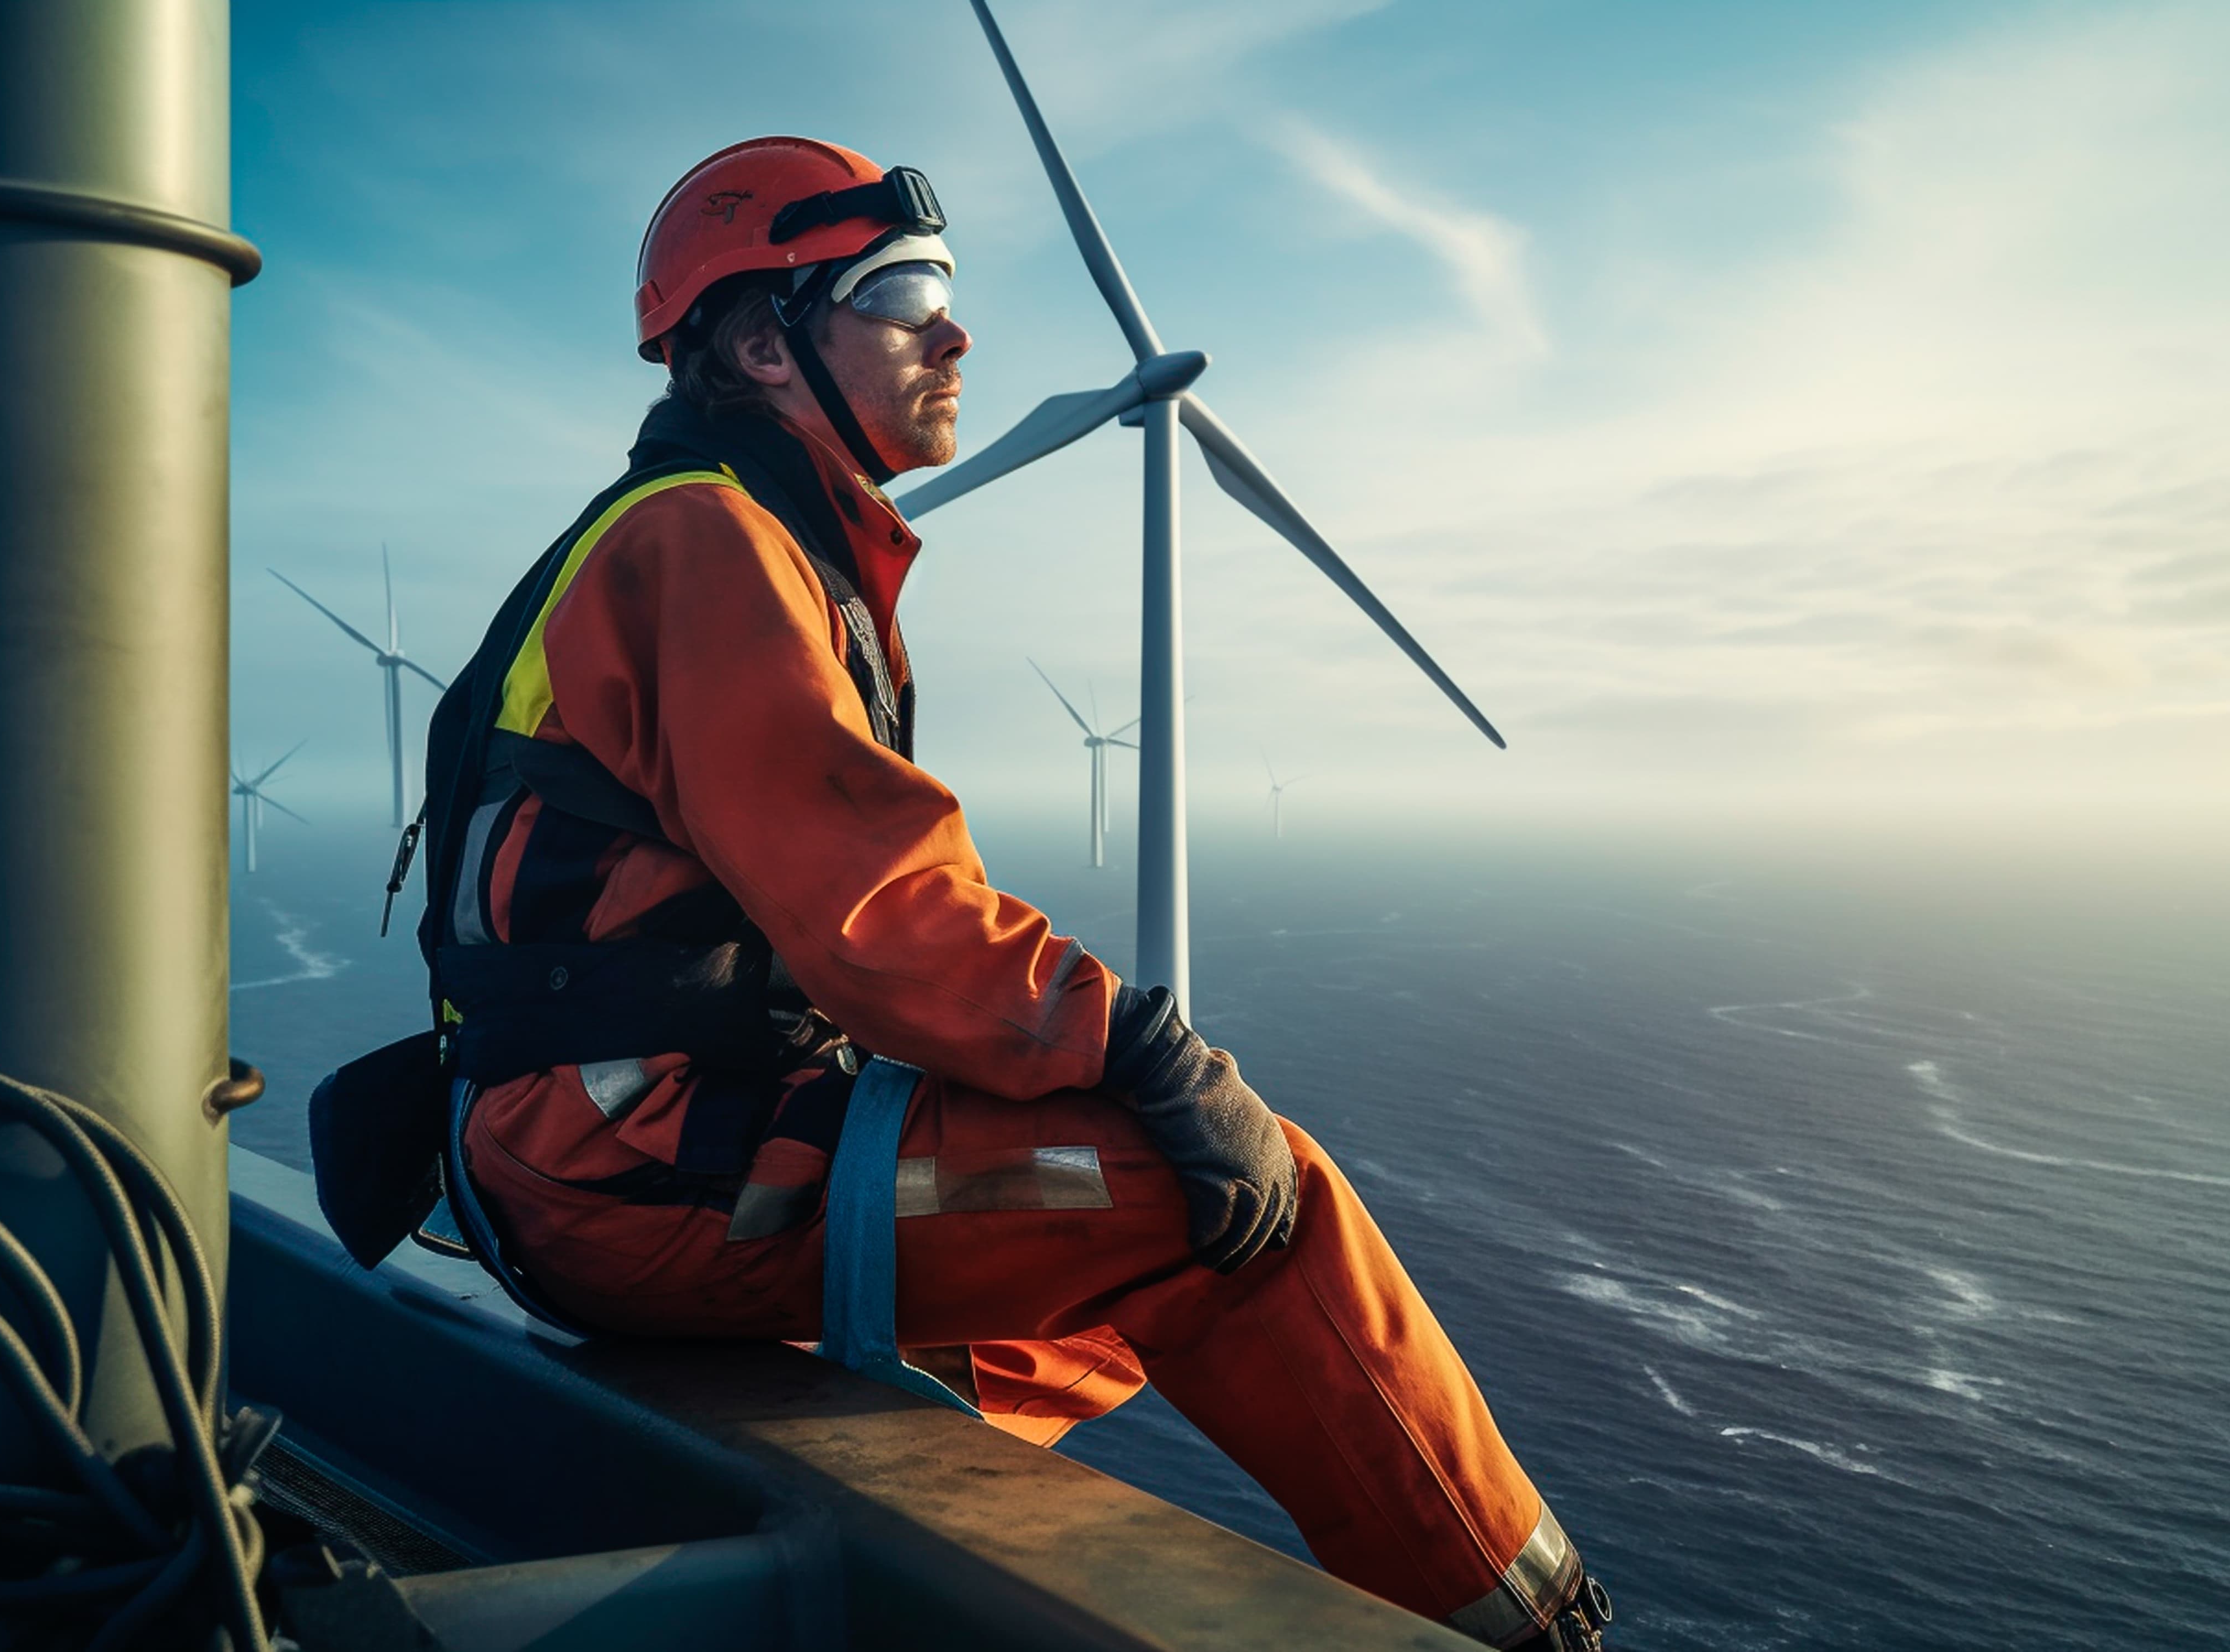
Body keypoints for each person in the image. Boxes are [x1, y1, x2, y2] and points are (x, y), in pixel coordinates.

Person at [416, 136, 1609, 1650]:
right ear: (759, 342)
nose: (956, 334)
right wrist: (1149, 1055)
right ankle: (1525, 1627)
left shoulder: (729, 534)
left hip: (611, 1142)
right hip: (637, 1170)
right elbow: (881, 918)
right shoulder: (708, 542)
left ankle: (896, 1459)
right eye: (902, 293)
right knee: (1243, 1200)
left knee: (1113, 1270)